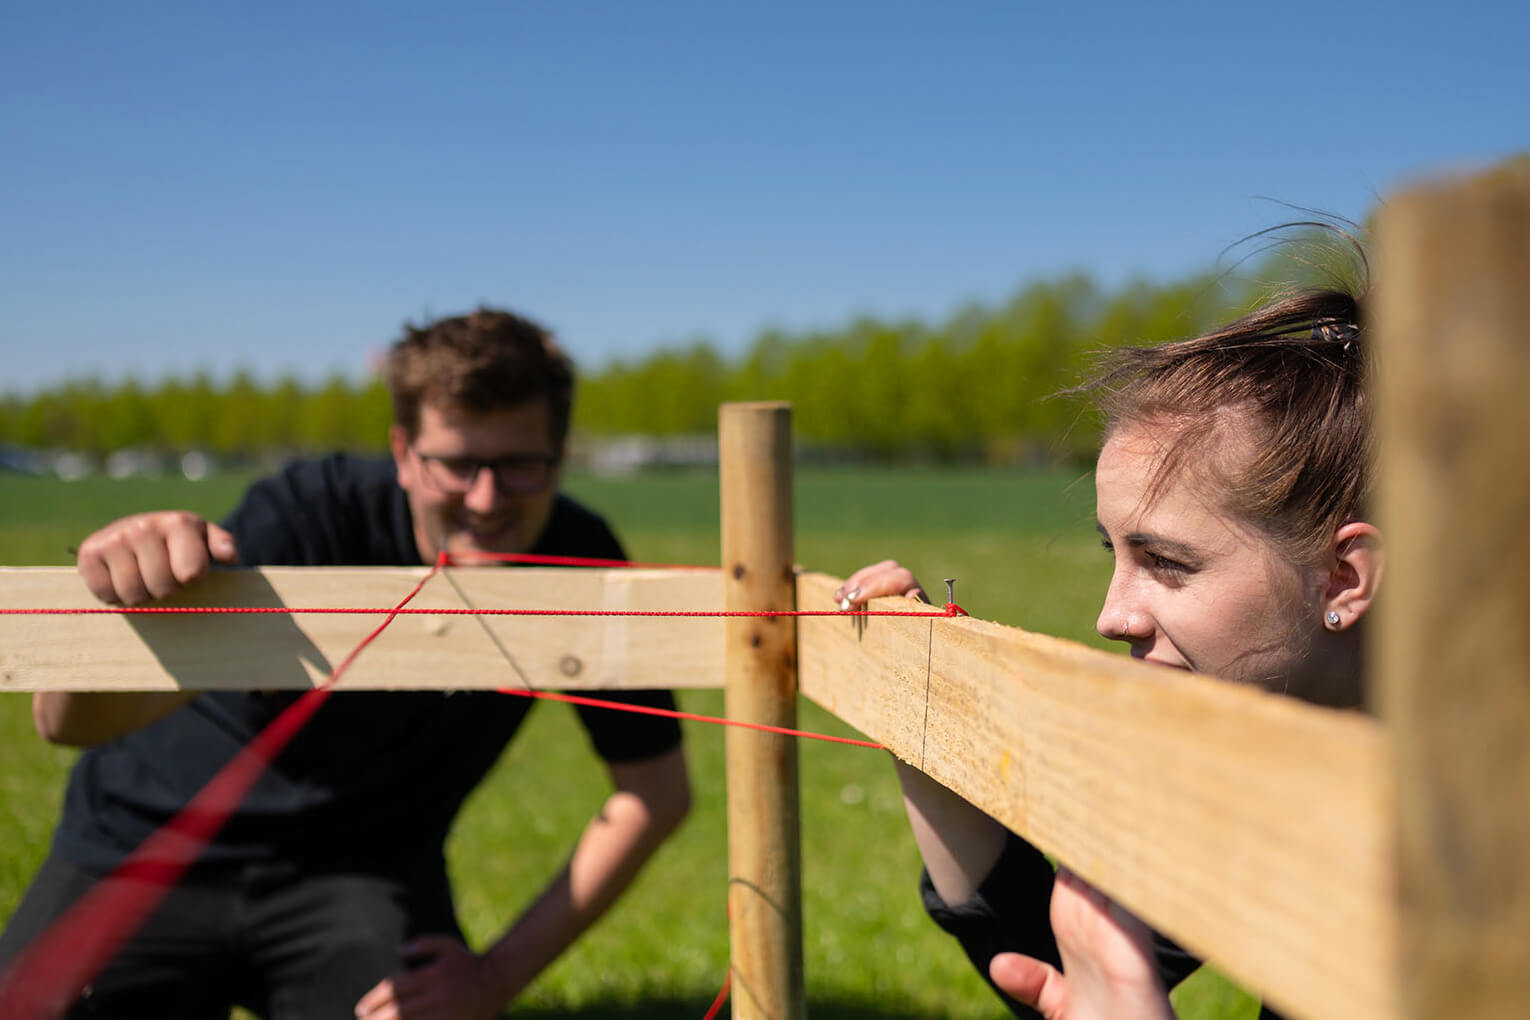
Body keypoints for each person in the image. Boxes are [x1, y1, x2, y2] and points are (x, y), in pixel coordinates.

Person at [0, 308, 692, 1018]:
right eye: (456, 464)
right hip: (143, 843)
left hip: (360, 869)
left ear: (560, 456)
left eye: (520, 466)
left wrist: (495, 977)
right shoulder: (308, 514)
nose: (486, 499)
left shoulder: (581, 559)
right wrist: (118, 609)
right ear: (402, 452)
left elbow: (657, 792)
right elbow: (65, 725)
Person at [837, 284, 1379, 1019]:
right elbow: (1054, 967)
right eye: (1113, 553)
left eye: (1167, 563)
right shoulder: (1246, 765)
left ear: (1342, 579)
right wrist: (920, 718)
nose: (1109, 616)